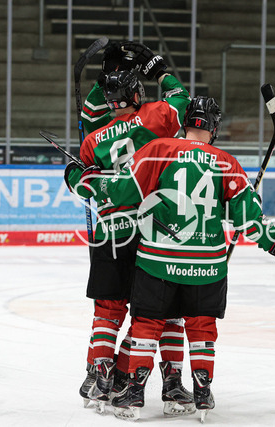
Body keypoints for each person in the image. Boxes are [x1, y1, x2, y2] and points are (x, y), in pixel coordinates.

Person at [77, 96, 275, 421]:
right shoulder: (226, 162)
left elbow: (122, 191)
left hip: (158, 260)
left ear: (185, 123)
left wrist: (89, 179)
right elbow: (247, 218)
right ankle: (202, 391)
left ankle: (133, 393)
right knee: (201, 325)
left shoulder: (158, 150)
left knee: (147, 323)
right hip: (207, 265)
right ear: (214, 128)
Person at [65, 40, 194, 415]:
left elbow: (80, 181)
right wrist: (161, 70)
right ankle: (160, 381)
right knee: (159, 310)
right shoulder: (155, 116)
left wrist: (76, 175)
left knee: (108, 310)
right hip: (151, 230)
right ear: (137, 94)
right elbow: (182, 103)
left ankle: (99, 379)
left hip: (108, 232)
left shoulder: (93, 139)